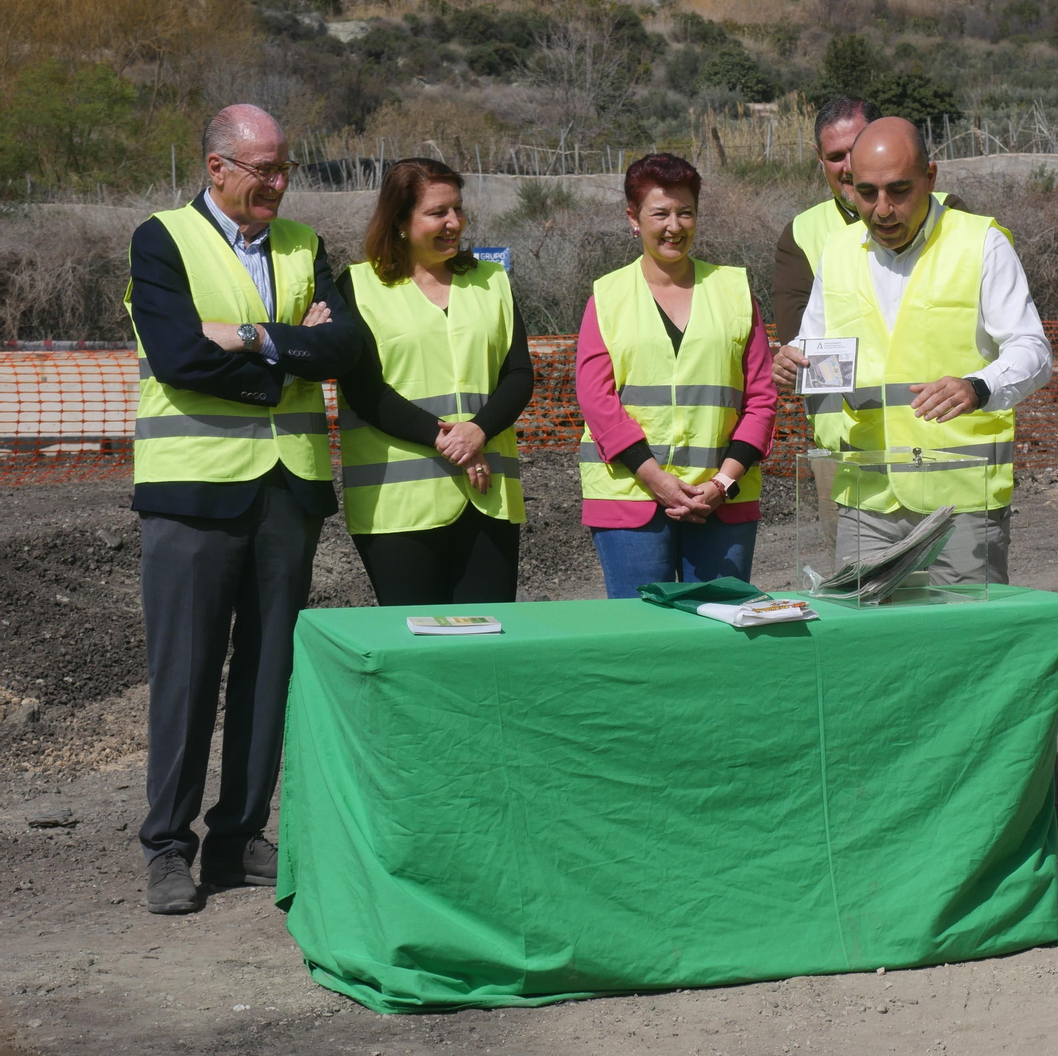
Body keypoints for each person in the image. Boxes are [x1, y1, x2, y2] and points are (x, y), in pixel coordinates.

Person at [125, 104, 360, 915]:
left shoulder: (305, 246)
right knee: (185, 672)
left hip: (286, 488)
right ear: (216, 167)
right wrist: (292, 346)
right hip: (193, 491)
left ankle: (239, 835)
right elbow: (180, 355)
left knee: (269, 669)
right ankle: (166, 846)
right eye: (261, 168)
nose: (277, 183)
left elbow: (347, 347)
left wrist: (254, 337)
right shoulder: (161, 240)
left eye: (283, 167)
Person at [772, 117, 1052, 585]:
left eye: (899, 191)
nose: (882, 209)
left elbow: (1032, 349)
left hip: (959, 501)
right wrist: (792, 359)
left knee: (962, 648)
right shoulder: (837, 252)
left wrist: (979, 387)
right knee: (871, 650)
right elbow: (815, 344)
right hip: (867, 498)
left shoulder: (980, 243)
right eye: (866, 193)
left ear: (931, 177)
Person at [577, 153, 777, 598]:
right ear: (633, 218)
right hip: (629, 497)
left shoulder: (735, 291)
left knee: (717, 633)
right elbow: (596, 399)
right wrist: (654, 478)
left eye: (685, 212)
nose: (674, 225)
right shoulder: (607, 296)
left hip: (720, 502)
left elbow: (761, 399)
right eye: (660, 213)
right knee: (639, 636)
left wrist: (722, 483)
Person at [335, 158, 533, 606]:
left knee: (486, 642)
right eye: (437, 212)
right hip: (399, 508)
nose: (453, 223)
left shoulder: (492, 281)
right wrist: (451, 441)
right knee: (417, 649)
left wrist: (479, 430)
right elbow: (365, 392)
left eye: (458, 210)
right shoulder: (358, 286)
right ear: (400, 221)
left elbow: (518, 374)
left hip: (488, 499)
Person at [770, 96, 968, 344]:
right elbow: (802, 342)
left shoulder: (947, 211)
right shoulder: (801, 234)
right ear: (819, 158)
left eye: (859, 148)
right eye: (836, 156)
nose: (851, 166)